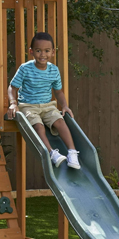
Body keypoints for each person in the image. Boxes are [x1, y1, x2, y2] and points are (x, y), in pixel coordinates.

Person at [5, 32, 80, 169]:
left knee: (60, 122)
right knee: (38, 126)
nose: (42, 54)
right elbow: (12, 87)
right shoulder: (25, 68)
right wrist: (13, 103)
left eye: (47, 51)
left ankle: (72, 152)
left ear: (52, 52)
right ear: (31, 51)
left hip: (48, 106)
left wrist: (64, 106)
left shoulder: (54, 70)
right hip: (28, 106)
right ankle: (51, 153)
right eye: (38, 51)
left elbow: (58, 92)